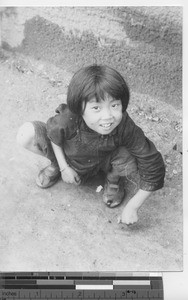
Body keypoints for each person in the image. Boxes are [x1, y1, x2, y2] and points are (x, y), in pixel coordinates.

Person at [16, 65, 165, 225]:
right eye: (96, 108)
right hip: (69, 156)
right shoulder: (68, 119)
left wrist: (133, 206)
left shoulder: (125, 126)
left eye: (114, 105)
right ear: (79, 108)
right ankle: (55, 166)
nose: (107, 116)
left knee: (131, 153)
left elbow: (153, 165)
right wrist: (63, 168)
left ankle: (113, 180)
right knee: (26, 133)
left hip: (102, 162)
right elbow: (54, 137)